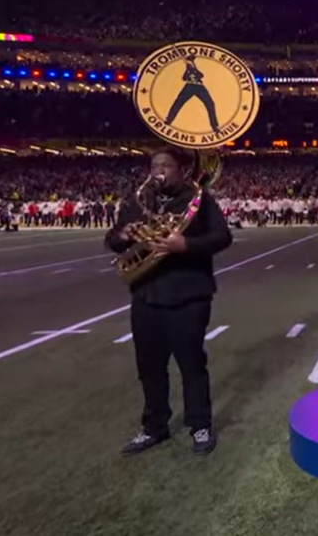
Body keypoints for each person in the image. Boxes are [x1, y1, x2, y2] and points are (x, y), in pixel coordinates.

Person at [105, 147, 232, 455]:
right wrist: (124, 234)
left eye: (166, 165)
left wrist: (184, 244)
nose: (159, 170)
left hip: (188, 293)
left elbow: (222, 237)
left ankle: (199, 425)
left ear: (180, 169)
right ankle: (154, 427)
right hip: (146, 294)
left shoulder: (197, 199)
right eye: (155, 164)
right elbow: (111, 240)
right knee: (149, 367)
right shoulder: (138, 201)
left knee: (191, 365)